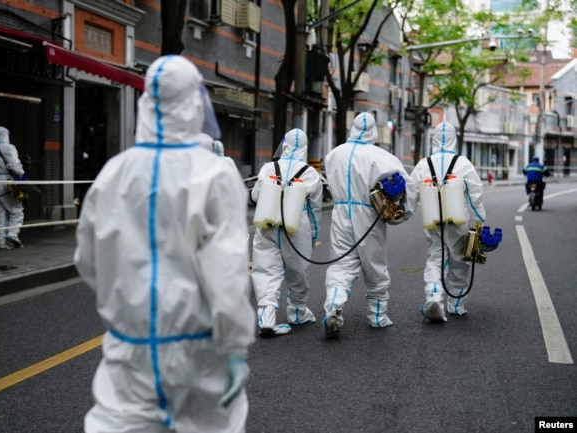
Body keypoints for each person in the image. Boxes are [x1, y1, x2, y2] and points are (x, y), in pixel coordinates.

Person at [75, 54, 256, 433]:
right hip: (199, 352)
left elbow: (89, 261)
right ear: (194, 104)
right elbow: (227, 276)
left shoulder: (114, 173)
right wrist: (235, 347)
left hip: (129, 351)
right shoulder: (214, 176)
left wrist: (131, 302)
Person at [322, 112, 416, 338]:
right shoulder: (382, 157)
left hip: (341, 213)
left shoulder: (334, 155)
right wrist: (403, 211)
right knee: (374, 266)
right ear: (374, 131)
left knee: (341, 265)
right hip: (369, 213)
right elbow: (407, 187)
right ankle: (377, 316)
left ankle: (334, 304)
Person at [249, 128, 323, 337]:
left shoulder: (268, 168)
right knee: (298, 270)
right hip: (296, 226)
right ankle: (298, 312)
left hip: (267, 222)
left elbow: (255, 196)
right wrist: (313, 235)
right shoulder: (310, 173)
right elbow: (314, 209)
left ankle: (267, 319)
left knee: (266, 270)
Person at [410, 121, 486, 322]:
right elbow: (474, 196)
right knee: (460, 260)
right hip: (458, 220)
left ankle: (434, 297)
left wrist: (404, 213)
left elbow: (411, 193)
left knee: (435, 258)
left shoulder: (423, 164)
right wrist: (479, 221)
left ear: (433, 139)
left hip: (432, 219)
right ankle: (457, 305)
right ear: (455, 139)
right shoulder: (463, 163)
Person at [0, 126, 27, 249]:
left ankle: (1, 242)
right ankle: (12, 235)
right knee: (16, 211)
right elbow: (15, 166)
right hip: (7, 181)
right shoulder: (9, 148)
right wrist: (22, 175)